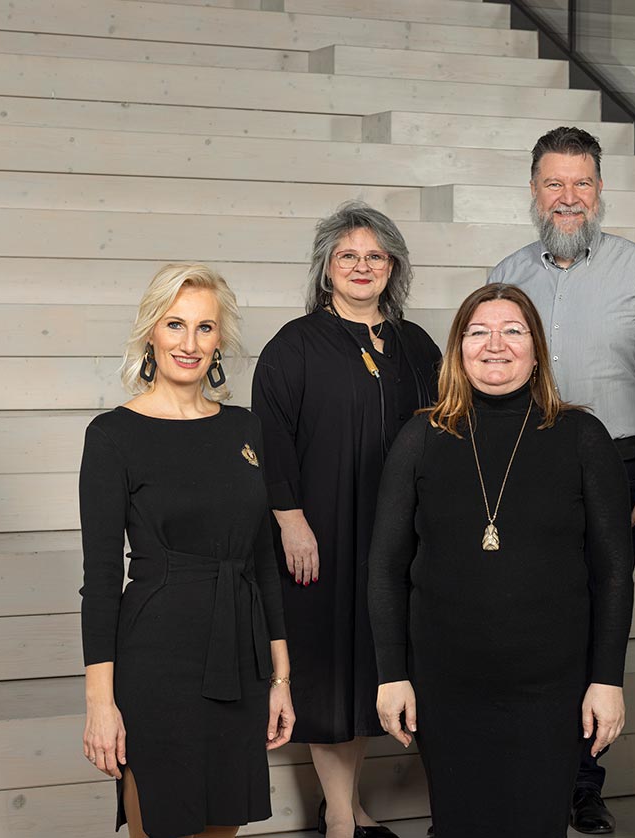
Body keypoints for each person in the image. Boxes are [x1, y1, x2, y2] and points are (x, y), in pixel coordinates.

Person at [368, 283, 635, 838]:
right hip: (447, 687)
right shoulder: (420, 437)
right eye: (478, 332)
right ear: (458, 348)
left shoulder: (583, 437)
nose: (496, 344)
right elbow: (386, 567)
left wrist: (607, 680)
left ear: (537, 350)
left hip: (551, 691)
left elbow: (612, 572)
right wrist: (392, 675)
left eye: (513, 331)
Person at [488, 125, 635, 833]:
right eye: (554, 183)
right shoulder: (507, 273)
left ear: (600, 191)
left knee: (602, 615)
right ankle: (529, 767)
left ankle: (581, 785)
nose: (567, 197)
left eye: (581, 183)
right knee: (531, 618)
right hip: (527, 467)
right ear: (534, 191)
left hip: (620, 467)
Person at [79, 263, 295, 838]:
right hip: (156, 661)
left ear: (220, 339)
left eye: (205, 327)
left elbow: (263, 559)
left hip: (241, 658)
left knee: (224, 825)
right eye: (175, 324)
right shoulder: (113, 435)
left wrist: (280, 678)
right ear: (151, 331)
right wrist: (101, 704)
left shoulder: (245, 429)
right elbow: (100, 581)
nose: (189, 342)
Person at [251, 202, 441, 838]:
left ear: (393, 268)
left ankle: (351, 805)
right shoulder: (294, 345)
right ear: (326, 267)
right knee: (332, 671)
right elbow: (270, 438)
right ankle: (338, 816)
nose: (362, 267)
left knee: (372, 669)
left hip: (399, 534)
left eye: (375, 256)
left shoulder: (417, 345)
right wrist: (290, 520)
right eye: (347, 256)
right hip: (322, 532)